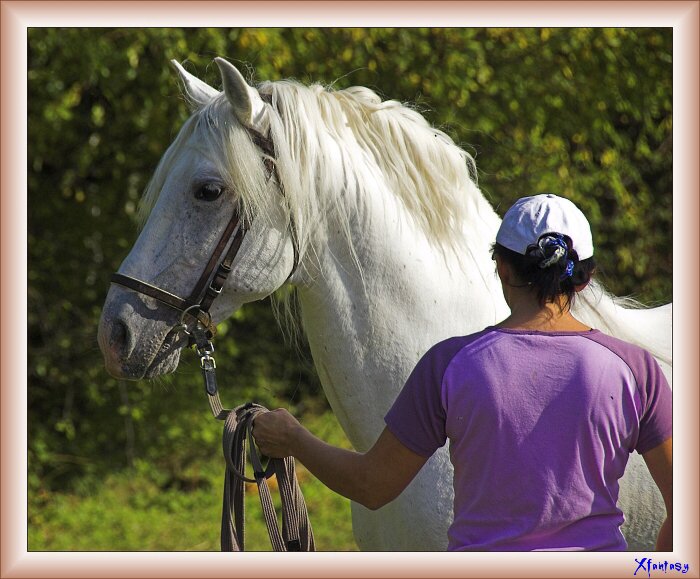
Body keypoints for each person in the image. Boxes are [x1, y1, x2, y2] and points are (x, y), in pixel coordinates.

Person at [252, 193, 673, 551]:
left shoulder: (450, 365)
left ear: (502, 268)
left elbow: (371, 486)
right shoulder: (634, 370)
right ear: (585, 278)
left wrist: (293, 439)